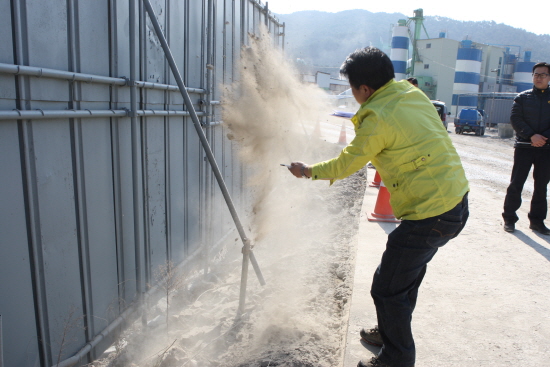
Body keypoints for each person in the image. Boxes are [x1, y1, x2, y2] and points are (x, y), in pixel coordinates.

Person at [287, 47, 469, 367]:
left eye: (354, 89)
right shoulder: (409, 93)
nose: (355, 96)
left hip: (431, 213)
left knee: (386, 288)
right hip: (453, 201)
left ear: (365, 89)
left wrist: (309, 170)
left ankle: (395, 359)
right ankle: (389, 333)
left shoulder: (377, 116)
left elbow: (347, 163)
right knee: (401, 281)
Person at [502, 62, 550, 234]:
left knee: (541, 186)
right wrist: (532, 136)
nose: (539, 77)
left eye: (543, 74)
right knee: (516, 183)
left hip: (546, 149)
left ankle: (537, 222)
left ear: (549, 77)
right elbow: (515, 119)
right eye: (536, 74)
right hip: (524, 146)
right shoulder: (522, 97)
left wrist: (543, 138)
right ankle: (509, 219)